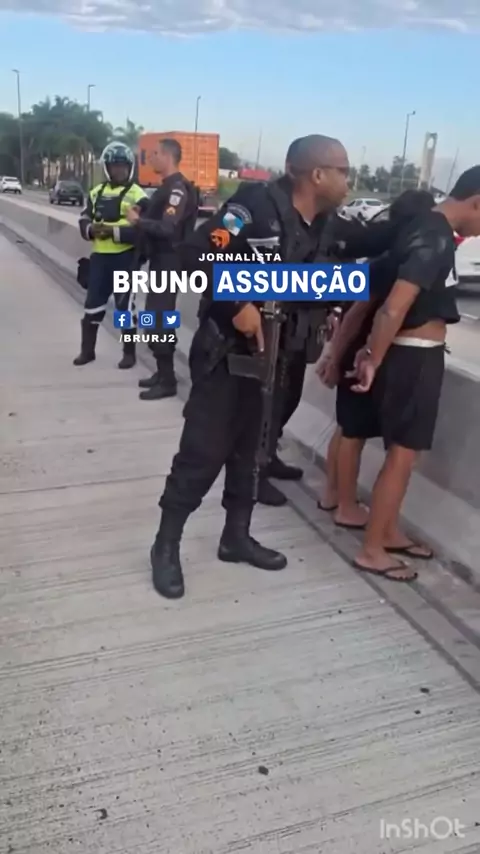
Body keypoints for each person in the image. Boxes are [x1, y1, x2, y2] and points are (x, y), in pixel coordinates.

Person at [148, 134, 399, 600]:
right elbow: (196, 254)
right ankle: (165, 544)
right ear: (317, 175)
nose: (350, 181)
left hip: (280, 355)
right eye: (344, 171)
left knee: (254, 450)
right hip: (230, 353)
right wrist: (236, 304)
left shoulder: (327, 223)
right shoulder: (253, 207)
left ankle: (235, 537)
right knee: (204, 450)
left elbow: (364, 249)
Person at [349, 167, 480, 582]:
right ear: (477, 202)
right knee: (402, 457)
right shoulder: (434, 235)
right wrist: (372, 357)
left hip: (411, 355)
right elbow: (394, 306)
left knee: (405, 453)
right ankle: (373, 549)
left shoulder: (423, 227)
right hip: (415, 358)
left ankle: (387, 531)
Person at [318, 190, 437, 530]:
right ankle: (345, 505)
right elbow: (359, 312)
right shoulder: (395, 259)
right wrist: (335, 356)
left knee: (346, 428)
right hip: (360, 348)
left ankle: (331, 494)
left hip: (355, 346)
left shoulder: (383, 251)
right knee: (352, 431)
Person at [125, 138, 199, 400]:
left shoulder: (177, 189)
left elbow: (167, 228)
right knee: (155, 319)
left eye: (155, 154)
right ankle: (162, 372)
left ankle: (168, 380)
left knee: (159, 321)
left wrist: (138, 221)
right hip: (160, 262)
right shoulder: (166, 187)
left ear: (167, 156)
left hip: (170, 262)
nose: (150, 158)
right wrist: (144, 209)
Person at [73, 142, 149, 368]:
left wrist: (113, 232)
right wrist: (90, 229)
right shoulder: (96, 192)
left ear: (130, 168)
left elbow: (143, 229)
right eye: (115, 166)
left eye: (123, 166)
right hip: (99, 259)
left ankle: (129, 354)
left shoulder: (139, 195)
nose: (119, 170)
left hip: (126, 259)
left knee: (124, 308)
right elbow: (84, 218)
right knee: (92, 306)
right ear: (107, 168)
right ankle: (87, 352)